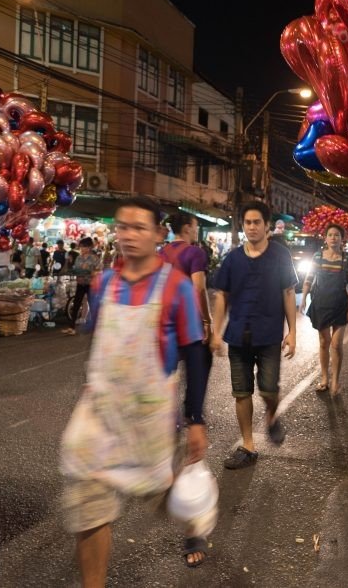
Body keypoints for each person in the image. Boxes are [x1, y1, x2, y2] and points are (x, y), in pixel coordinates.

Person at [60, 196, 213, 581]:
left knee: (164, 491)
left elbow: (195, 354)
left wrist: (196, 419)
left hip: (149, 418)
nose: (128, 235)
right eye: (122, 227)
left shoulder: (176, 287)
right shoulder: (104, 282)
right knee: (88, 499)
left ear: (159, 233)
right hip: (101, 411)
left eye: (139, 228)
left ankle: (193, 521)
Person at [211, 200, 297, 470]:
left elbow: (288, 292)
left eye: (256, 222)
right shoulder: (233, 258)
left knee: (269, 389)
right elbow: (222, 295)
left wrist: (293, 332)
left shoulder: (280, 255)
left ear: (267, 225)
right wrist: (216, 332)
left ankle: (272, 416)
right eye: (247, 222)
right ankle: (248, 445)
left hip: (269, 334)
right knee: (241, 392)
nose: (251, 227)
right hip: (238, 335)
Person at [300, 224, 348, 396]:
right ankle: (324, 378)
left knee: (336, 344)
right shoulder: (318, 256)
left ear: (342, 238)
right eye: (330, 235)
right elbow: (309, 278)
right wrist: (303, 298)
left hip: (340, 305)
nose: (333, 238)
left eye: (337, 235)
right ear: (325, 238)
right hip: (321, 303)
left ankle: (336, 381)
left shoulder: (347, 258)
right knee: (324, 342)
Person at [162, 212, 213, 344]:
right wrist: (207, 320)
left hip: (166, 318)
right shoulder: (196, 252)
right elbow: (199, 289)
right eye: (195, 226)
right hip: (189, 318)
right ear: (187, 228)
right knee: (199, 360)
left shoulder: (161, 252)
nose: (197, 230)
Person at [63, 237, 102, 336]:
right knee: (76, 305)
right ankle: (71, 327)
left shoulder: (95, 258)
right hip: (80, 284)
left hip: (90, 285)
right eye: (81, 247)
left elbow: (99, 271)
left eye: (83, 247)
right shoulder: (79, 258)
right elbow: (76, 269)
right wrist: (76, 274)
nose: (81, 249)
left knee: (92, 305)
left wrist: (93, 272)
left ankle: (96, 327)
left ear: (89, 247)